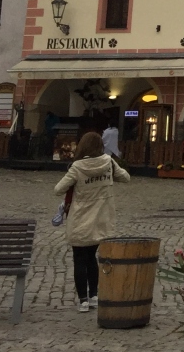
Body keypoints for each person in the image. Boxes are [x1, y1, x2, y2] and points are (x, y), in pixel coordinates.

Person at [54, 130, 132, 312]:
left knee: (79, 259)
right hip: (100, 220)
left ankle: (83, 300)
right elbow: (125, 177)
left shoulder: (77, 167)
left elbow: (58, 189)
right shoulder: (108, 162)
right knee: (91, 258)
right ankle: (94, 295)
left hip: (80, 219)